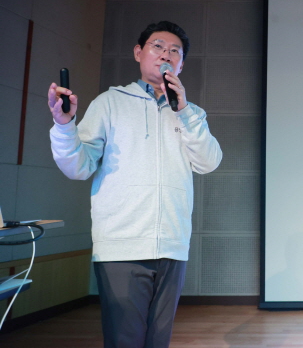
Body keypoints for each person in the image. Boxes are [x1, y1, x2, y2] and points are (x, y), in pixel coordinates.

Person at [48, 21, 222, 348]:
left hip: (172, 243)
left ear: (181, 65)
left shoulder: (191, 113)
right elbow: (78, 166)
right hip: (121, 245)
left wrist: (183, 111)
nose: (166, 55)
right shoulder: (109, 103)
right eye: (158, 47)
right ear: (139, 53)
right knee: (124, 340)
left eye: (175, 51)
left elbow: (209, 162)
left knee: (158, 341)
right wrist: (64, 125)